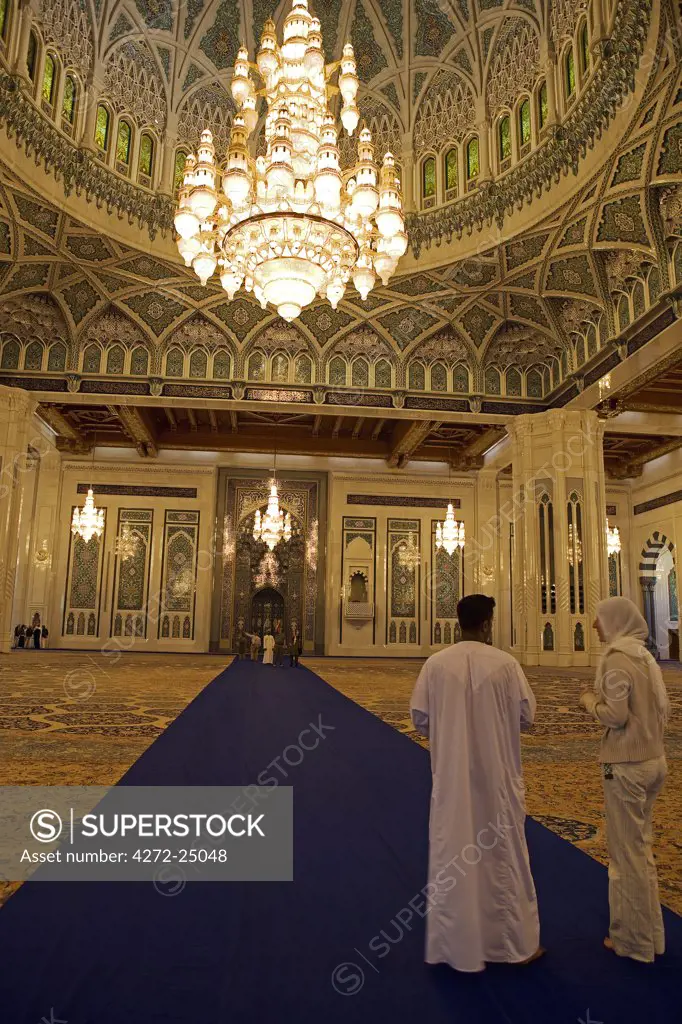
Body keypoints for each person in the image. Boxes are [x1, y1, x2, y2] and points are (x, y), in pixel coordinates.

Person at [410, 594, 541, 973]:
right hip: (498, 778)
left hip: (452, 781)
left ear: (458, 623)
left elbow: (420, 718)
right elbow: (528, 716)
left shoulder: (435, 665)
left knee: (453, 856)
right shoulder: (506, 664)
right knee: (504, 855)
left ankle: (455, 947)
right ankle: (513, 945)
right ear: (487, 624)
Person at [579, 596, 669, 963]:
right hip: (653, 761)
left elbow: (615, 716)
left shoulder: (617, 659)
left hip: (627, 766)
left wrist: (588, 701)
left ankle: (631, 942)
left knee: (625, 855)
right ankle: (652, 936)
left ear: (613, 621)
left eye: (599, 619)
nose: (596, 626)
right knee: (641, 851)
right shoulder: (645, 657)